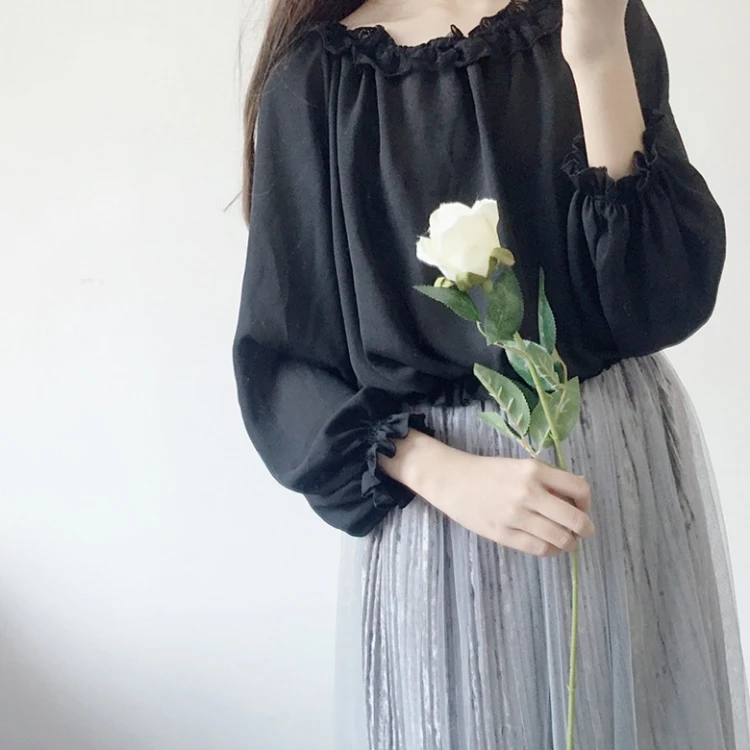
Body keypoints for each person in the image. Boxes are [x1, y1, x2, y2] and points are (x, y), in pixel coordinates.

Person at [232, 0, 750, 747]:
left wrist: (597, 51)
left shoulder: (592, 17)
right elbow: (286, 364)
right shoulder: (319, 81)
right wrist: (440, 472)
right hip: (443, 521)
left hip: (619, 476)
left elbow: (659, 297)